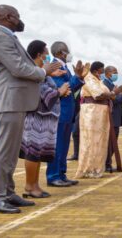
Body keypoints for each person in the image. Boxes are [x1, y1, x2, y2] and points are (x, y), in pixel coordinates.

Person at [0, 5, 61, 214]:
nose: (20, 20)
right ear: (8, 17)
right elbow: (18, 67)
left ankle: (8, 193)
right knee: (3, 152)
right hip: (8, 101)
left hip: (17, 102)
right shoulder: (1, 37)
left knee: (10, 154)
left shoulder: (9, 37)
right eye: (17, 16)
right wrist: (42, 71)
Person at [19, 40, 71, 198]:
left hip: (45, 120)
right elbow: (41, 92)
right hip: (36, 118)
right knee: (32, 153)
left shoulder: (41, 72)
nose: (48, 57)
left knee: (39, 153)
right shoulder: (33, 72)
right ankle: (29, 186)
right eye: (46, 54)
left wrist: (52, 80)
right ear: (38, 55)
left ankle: (35, 185)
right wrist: (60, 92)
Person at [46, 41, 87, 187]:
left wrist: (79, 77)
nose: (69, 54)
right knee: (57, 145)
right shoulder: (55, 66)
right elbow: (60, 88)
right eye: (67, 51)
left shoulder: (65, 67)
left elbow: (71, 88)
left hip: (67, 112)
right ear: (60, 52)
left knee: (63, 146)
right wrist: (76, 77)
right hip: (59, 111)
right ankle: (53, 176)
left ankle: (61, 174)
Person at [75, 62, 121, 178]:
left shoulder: (98, 80)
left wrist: (115, 93)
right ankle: (87, 169)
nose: (103, 71)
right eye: (102, 69)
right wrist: (114, 92)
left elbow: (108, 95)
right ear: (96, 70)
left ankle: (96, 168)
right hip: (91, 112)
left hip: (101, 113)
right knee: (90, 141)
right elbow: (99, 95)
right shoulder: (89, 79)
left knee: (100, 141)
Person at [103, 66, 122, 173]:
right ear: (108, 73)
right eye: (114, 72)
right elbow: (117, 100)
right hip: (111, 117)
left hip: (115, 118)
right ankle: (106, 164)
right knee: (110, 143)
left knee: (113, 142)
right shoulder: (106, 84)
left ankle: (107, 163)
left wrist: (121, 92)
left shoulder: (111, 84)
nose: (116, 74)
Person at [67, 89, 81, 161]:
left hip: (84, 111)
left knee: (76, 132)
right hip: (77, 112)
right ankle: (77, 154)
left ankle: (77, 154)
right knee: (76, 133)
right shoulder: (76, 88)